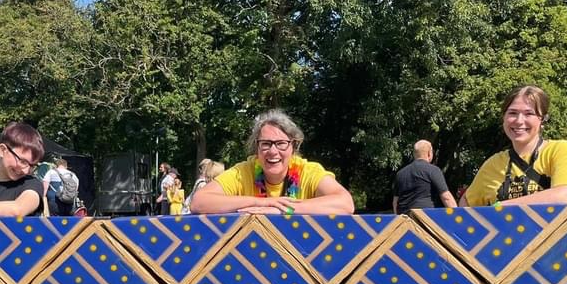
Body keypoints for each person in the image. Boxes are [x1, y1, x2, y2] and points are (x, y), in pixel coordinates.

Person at [190, 109, 355, 215]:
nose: (273, 151)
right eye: (266, 144)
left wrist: (282, 209)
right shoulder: (242, 172)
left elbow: (345, 203)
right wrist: (262, 202)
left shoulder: (309, 171)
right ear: (257, 147)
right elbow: (199, 202)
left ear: (294, 146)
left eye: (281, 143)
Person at [460, 85, 567, 207]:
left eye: (528, 113)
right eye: (512, 113)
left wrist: (500, 207)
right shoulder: (493, 164)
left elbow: (564, 196)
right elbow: (466, 202)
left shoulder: (560, 150)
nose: (519, 121)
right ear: (504, 117)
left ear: (543, 120)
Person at [393, 140, 457, 214]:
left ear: (414, 154)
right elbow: (446, 198)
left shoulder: (400, 173)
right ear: (429, 153)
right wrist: (457, 216)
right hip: (426, 218)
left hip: (404, 218)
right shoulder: (433, 170)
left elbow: (395, 202)